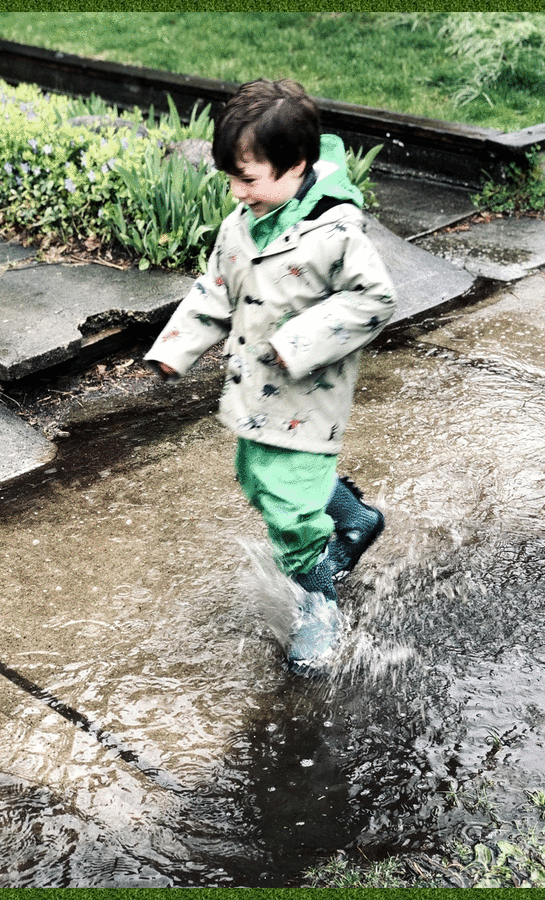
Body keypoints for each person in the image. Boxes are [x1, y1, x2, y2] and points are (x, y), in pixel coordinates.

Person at [145, 79, 396, 674]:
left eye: (249, 178)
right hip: (255, 391)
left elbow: (375, 298)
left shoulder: (335, 235)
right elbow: (214, 291)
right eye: (233, 177)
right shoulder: (241, 225)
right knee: (260, 473)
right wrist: (174, 349)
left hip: (307, 394)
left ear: (297, 166)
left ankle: (320, 604)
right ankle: (356, 519)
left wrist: (297, 341)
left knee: (289, 508)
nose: (238, 191)